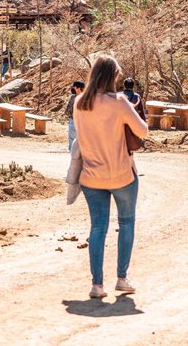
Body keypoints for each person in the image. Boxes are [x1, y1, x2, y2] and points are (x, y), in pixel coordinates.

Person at [74, 56, 148, 298]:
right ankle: (122, 278)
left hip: (91, 176)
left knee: (98, 227)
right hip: (121, 175)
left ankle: (97, 284)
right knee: (126, 223)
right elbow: (142, 131)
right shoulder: (118, 102)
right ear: (113, 76)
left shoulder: (79, 103)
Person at [65, 80, 85, 151]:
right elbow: (68, 108)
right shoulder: (73, 97)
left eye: (74, 87)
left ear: (78, 88)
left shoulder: (85, 98)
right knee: (71, 139)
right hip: (72, 120)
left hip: (81, 122)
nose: (72, 89)